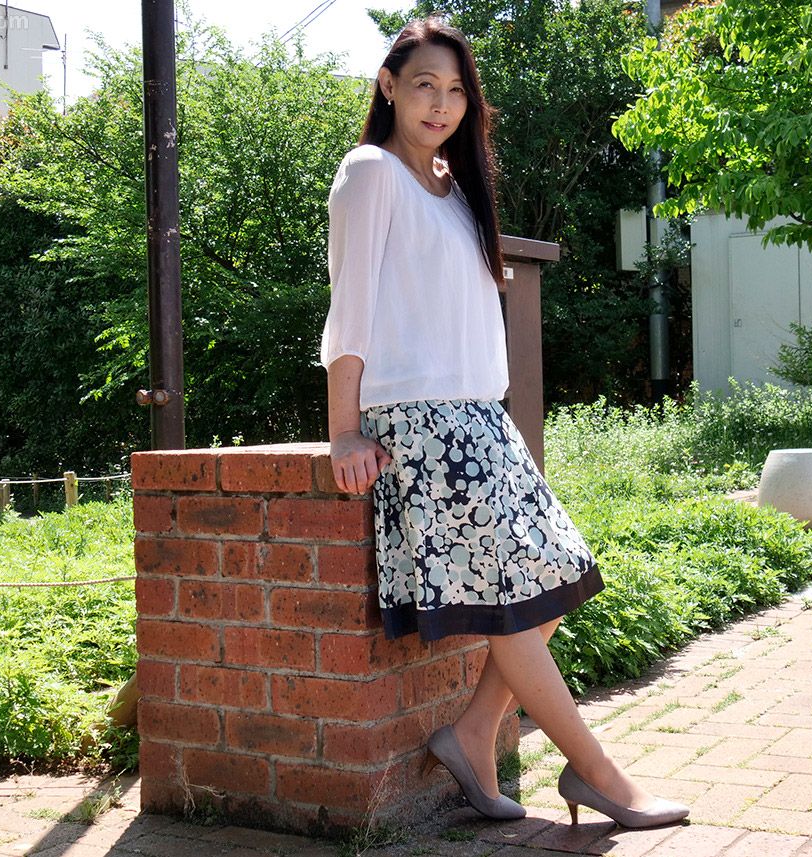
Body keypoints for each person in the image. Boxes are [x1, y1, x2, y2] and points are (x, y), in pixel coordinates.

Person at [318, 15, 689, 830]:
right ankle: (597, 774)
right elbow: (352, 306)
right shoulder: (370, 172)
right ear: (388, 85)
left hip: (482, 420)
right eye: (424, 84)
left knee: (557, 573)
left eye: (455, 90)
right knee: (515, 602)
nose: (439, 103)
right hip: (420, 423)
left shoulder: (453, 187)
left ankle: (474, 730)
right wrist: (345, 428)